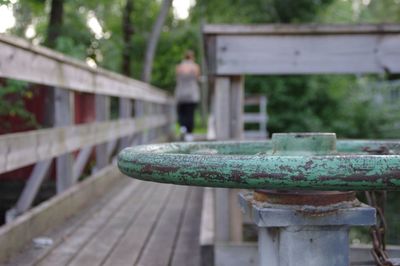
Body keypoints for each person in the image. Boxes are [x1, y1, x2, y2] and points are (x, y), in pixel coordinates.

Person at [175, 50, 201, 141]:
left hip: (181, 93)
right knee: (190, 114)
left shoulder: (179, 67)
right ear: (192, 57)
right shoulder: (195, 67)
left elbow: (177, 78)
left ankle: (183, 127)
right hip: (192, 93)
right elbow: (197, 78)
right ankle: (189, 134)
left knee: (181, 112)